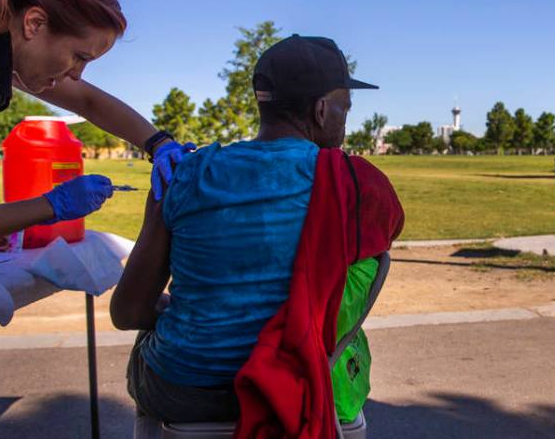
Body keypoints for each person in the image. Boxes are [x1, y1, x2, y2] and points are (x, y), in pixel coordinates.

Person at [110, 35, 403, 430]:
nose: (344, 123)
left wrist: (174, 311)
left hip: (185, 390)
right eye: (344, 109)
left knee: (147, 348)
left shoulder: (184, 175)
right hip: (297, 381)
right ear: (320, 110)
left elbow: (128, 312)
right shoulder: (358, 187)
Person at [0, 0, 191, 252]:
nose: (76, 75)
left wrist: (158, 142)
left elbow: (88, 101)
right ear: (34, 23)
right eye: (80, 57)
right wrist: (50, 206)